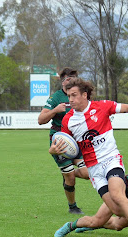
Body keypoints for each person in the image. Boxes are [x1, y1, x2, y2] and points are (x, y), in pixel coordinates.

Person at [49, 78, 128, 237]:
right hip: (93, 169)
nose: (70, 100)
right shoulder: (67, 120)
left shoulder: (102, 106)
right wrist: (54, 150)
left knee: (117, 194)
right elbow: (65, 146)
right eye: (68, 96)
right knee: (117, 210)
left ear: (85, 95)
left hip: (111, 159)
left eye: (74, 95)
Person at [38, 67, 89, 214]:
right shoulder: (55, 98)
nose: (70, 81)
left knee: (86, 173)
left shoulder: (80, 97)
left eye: (73, 79)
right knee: (70, 178)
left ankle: (67, 173)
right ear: (62, 82)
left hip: (77, 142)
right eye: (67, 79)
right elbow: (41, 120)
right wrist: (55, 110)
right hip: (60, 143)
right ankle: (72, 206)